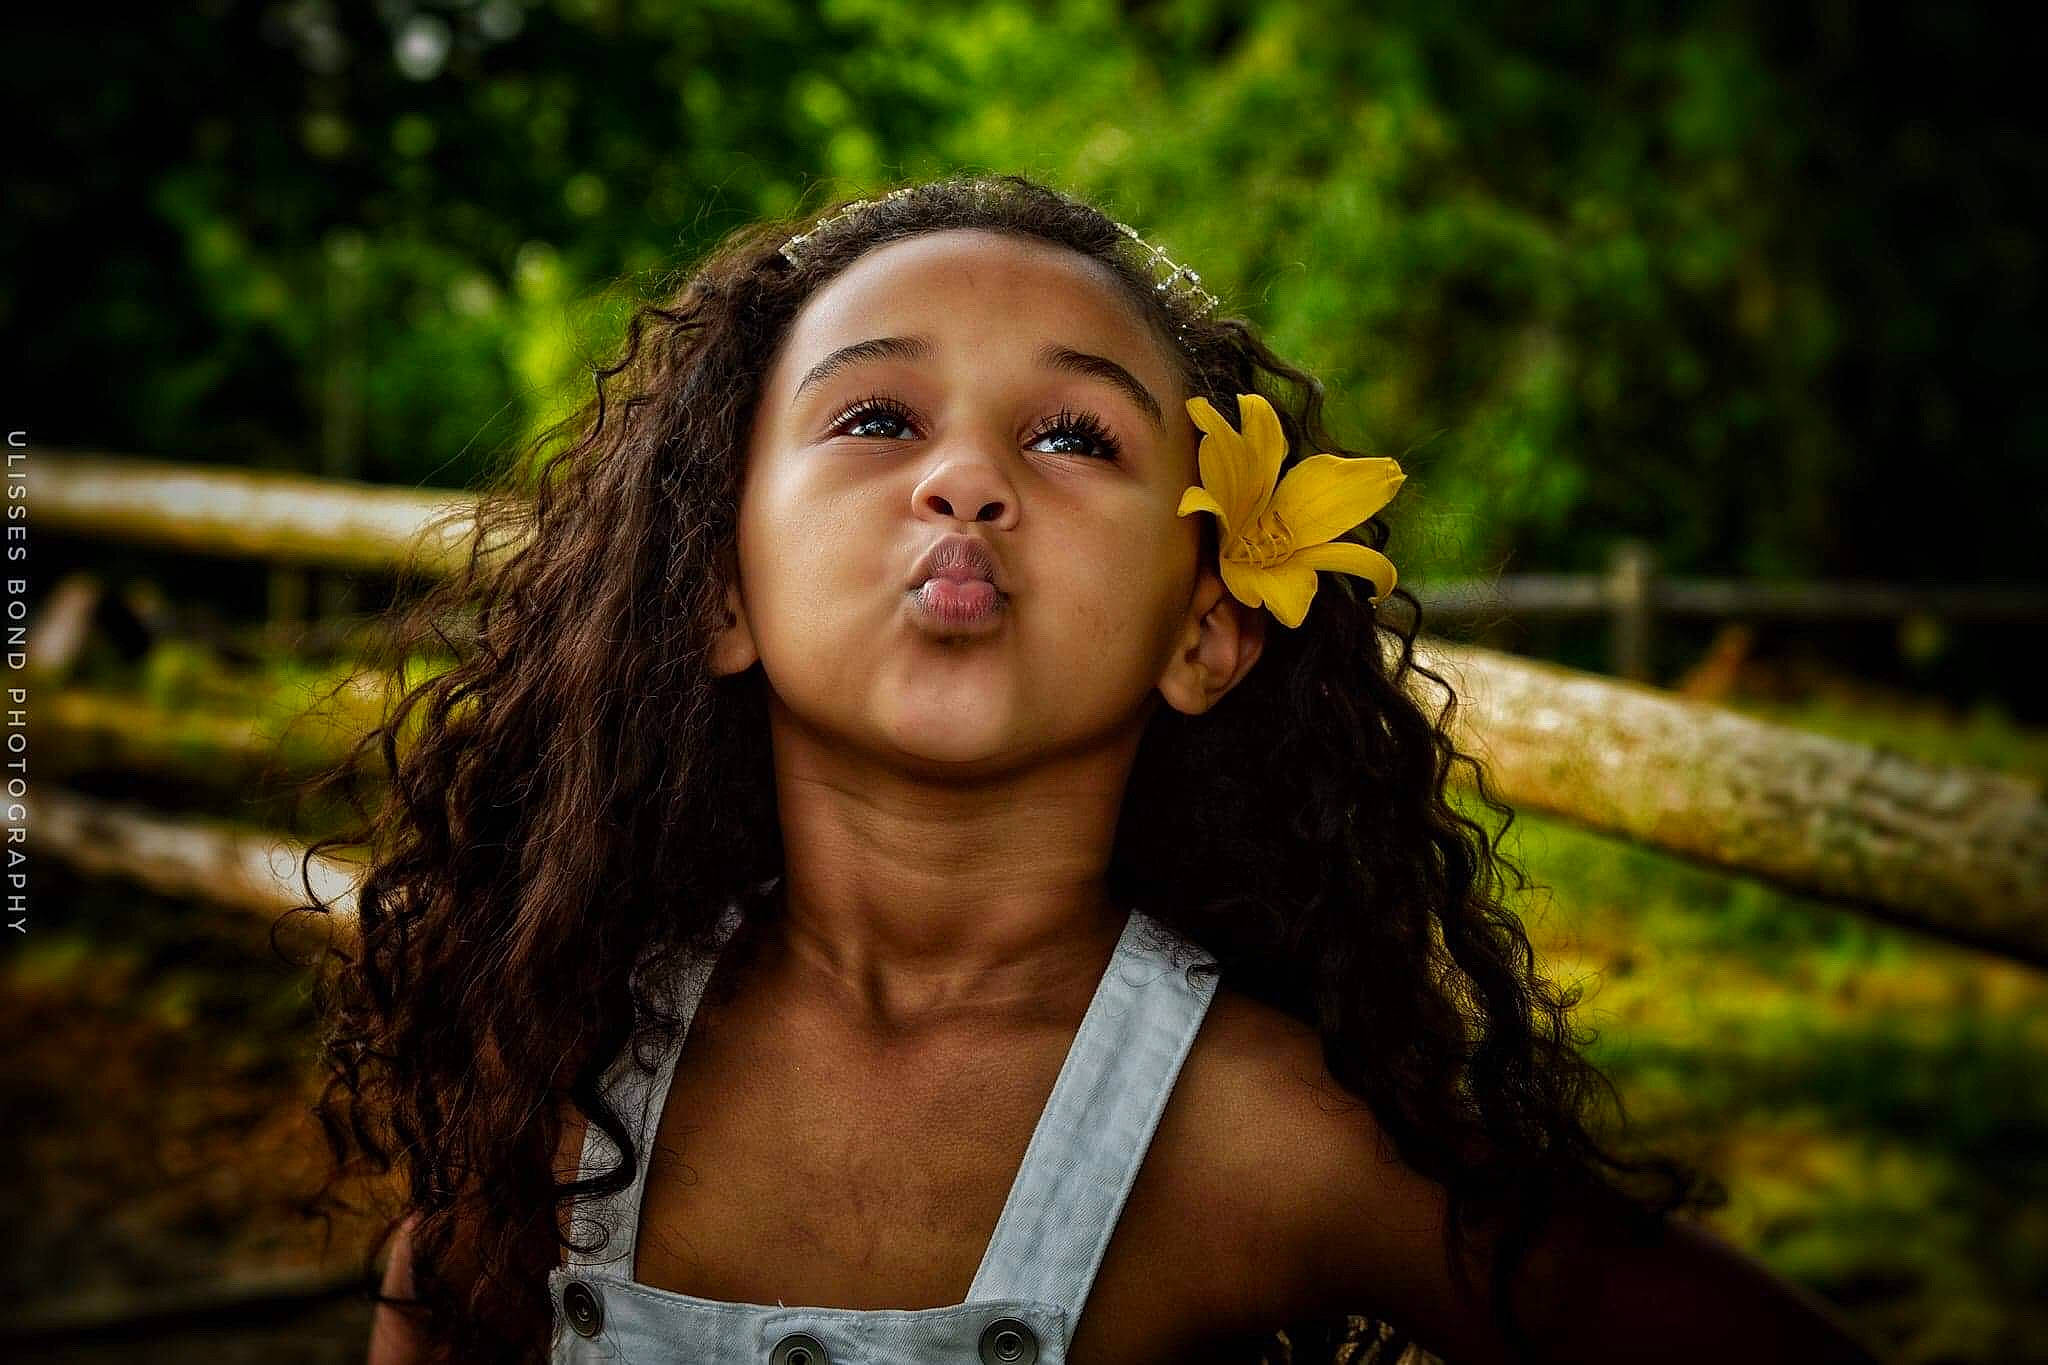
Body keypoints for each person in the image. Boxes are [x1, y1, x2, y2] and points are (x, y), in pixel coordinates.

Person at [291, 172, 1888, 1364]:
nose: (966, 479)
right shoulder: (564, 1055)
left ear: (1206, 628)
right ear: (718, 587)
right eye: (875, 417)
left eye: (1074, 437)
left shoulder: (1264, 1127)